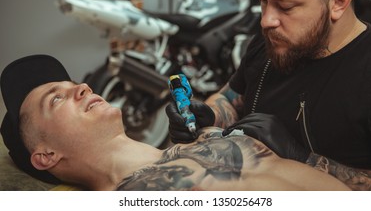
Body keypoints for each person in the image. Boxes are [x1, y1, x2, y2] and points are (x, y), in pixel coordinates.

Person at [166, 0, 371, 191]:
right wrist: (210, 116)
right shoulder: (268, 42)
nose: (266, 21)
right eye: (263, 0)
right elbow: (230, 98)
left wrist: (303, 159)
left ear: (339, 2)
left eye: (285, 7)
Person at [0, 55, 350, 191]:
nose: (82, 87)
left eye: (73, 83)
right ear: (45, 155)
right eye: (56, 98)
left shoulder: (204, 140)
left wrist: (308, 159)